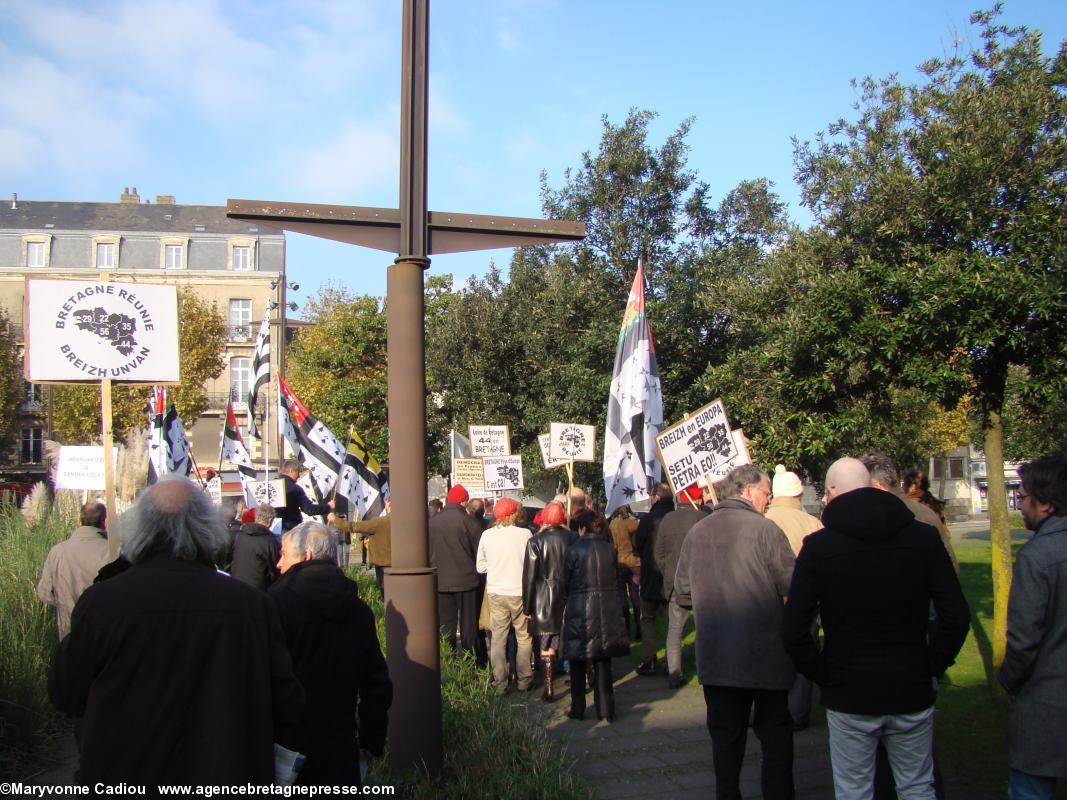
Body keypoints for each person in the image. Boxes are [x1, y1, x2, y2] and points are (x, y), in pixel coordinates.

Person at [48, 478, 304, 787]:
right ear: (207, 528)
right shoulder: (251, 607)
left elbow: (66, 692)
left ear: (138, 528)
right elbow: (287, 704)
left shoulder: (102, 603)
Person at [781, 457, 969, 800]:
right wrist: (932, 665)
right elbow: (955, 615)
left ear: (833, 492)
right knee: (916, 787)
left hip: (851, 687)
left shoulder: (821, 548)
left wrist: (823, 673)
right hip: (907, 682)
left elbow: (794, 627)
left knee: (855, 790)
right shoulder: (923, 539)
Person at [675, 464, 797, 800]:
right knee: (775, 737)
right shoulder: (765, 530)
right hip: (765, 653)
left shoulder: (698, 532)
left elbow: (682, 591)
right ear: (747, 491)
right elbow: (793, 585)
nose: (769, 500)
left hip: (717, 655)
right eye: (766, 493)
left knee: (726, 743)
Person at [269, 521, 392, 786]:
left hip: (287, 748)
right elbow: (377, 684)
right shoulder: (358, 610)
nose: (278, 563)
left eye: (283, 555)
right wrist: (371, 740)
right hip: (342, 745)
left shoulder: (276, 605)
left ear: (307, 556)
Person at [998, 455, 1067, 799]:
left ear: (1047, 504)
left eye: (1023, 497)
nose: (1020, 505)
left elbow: (1024, 639)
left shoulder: (1037, 556)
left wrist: (1008, 679)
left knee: (1031, 790)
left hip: (1045, 705)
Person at [763, 464, 823, 730]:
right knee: (802, 658)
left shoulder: (761, 522)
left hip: (767, 602)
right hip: (804, 603)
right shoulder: (812, 523)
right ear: (799, 494)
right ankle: (797, 713)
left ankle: (769, 710)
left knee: (770, 656)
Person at [561, 511, 628, 722]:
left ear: (582, 528)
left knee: (577, 660)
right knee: (602, 658)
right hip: (605, 606)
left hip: (580, 607)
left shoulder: (573, 551)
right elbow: (615, 577)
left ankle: (578, 707)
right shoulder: (610, 549)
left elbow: (565, 581)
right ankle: (606, 708)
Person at [862, 453, 959, 575]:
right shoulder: (927, 513)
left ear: (878, 486)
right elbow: (951, 567)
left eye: (863, 488)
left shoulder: (876, 517)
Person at [476, 497, 534, 692]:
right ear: (514, 514)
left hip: (496, 592)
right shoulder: (526, 534)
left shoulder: (487, 535)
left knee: (498, 637)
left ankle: (500, 681)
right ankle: (524, 679)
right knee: (524, 636)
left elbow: (480, 567)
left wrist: (495, 566)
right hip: (520, 592)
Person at [522, 502, 577, 701]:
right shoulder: (573, 538)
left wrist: (527, 606)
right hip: (569, 595)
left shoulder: (536, 541)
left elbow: (529, 577)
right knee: (573, 638)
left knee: (547, 645)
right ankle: (582, 679)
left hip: (544, 599)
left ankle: (549, 688)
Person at [654, 484, 706, 689]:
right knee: (703, 629)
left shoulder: (668, 519)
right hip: (700, 582)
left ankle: (674, 673)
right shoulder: (702, 519)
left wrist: (667, 571)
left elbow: (659, 553)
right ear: (697, 499)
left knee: (674, 630)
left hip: (674, 582)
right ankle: (704, 671)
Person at [37, 501, 110, 640]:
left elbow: (45, 594)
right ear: (104, 522)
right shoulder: (114, 552)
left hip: (68, 635)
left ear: (78, 521)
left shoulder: (58, 551)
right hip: (104, 636)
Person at [428, 484, 483, 654]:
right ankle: (471, 660)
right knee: (469, 626)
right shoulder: (469, 522)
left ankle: (448, 660)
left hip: (441, 581)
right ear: (463, 501)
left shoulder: (432, 522)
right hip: (467, 581)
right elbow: (479, 550)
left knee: (445, 625)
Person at [633, 482, 674, 675]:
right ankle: (672, 662)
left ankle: (650, 660)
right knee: (670, 621)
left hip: (651, 575)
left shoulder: (648, 520)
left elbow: (638, 545)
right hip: (671, 576)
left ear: (656, 497)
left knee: (647, 618)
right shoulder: (675, 518)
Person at [343, 497, 392, 598]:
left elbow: (355, 526)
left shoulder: (380, 522)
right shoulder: (406, 521)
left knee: (386, 595)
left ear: (389, 504)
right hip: (399, 563)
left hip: (383, 564)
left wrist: (336, 520)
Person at [608, 504, 642, 641]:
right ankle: (640, 627)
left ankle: (626, 629)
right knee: (635, 595)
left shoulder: (613, 525)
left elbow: (613, 546)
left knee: (622, 597)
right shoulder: (636, 523)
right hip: (636, 563)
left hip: (620, 563)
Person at [230, 504, 281, 591]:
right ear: (270, 521)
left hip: (236, 584)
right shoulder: (269, 541)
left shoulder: (240, 535)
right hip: (257, 589)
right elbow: (275, 570)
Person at [277, 458, 333, 532]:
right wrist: (328, 507)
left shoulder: (272, 486)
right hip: (290, 529)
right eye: (297, 472)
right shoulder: (295, 489)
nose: (299, 476)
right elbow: (309, 510)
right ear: (291, 471)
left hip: (273, 529)